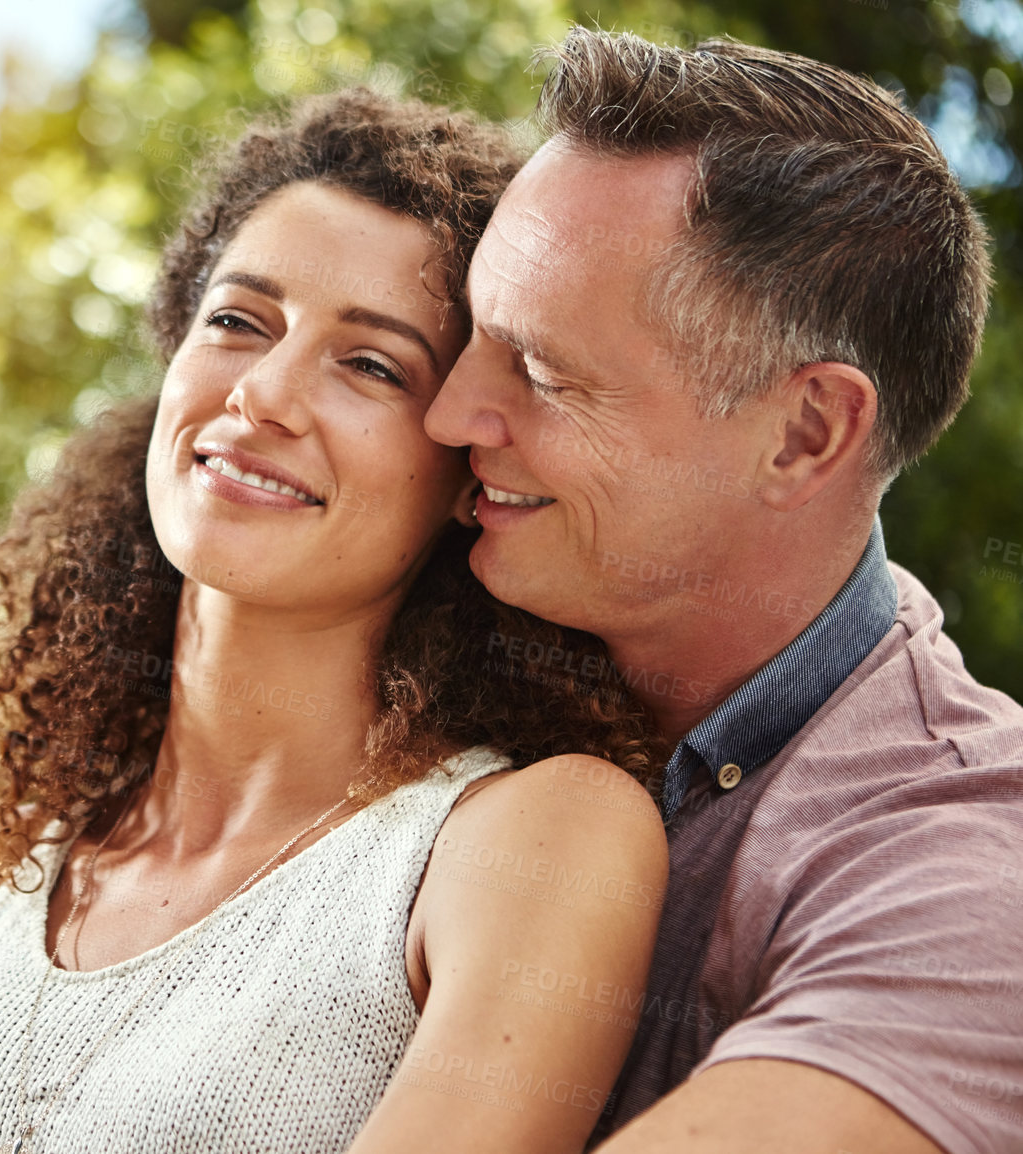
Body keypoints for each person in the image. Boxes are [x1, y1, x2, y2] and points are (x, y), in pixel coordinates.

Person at [0, 89, 669, 1154]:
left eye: (370, 364)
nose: (261, 393)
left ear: (467, 462)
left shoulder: (532, 840)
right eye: (237, 321)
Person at [424, 27, 1023, 1154]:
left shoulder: (967, 881)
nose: (449, 416)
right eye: (470, 336)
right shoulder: (423, 628)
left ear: (803, 434)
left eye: (542, 373)